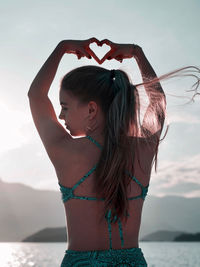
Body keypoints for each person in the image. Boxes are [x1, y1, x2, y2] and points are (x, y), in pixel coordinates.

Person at [28, 37, 200, 266]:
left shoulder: (65, 151)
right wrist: (138, 54)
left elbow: (36, 96)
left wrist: (62, 48)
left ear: (91, 109)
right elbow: (158, 102)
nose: (61, 116)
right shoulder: (142, 150)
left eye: (65, 106)